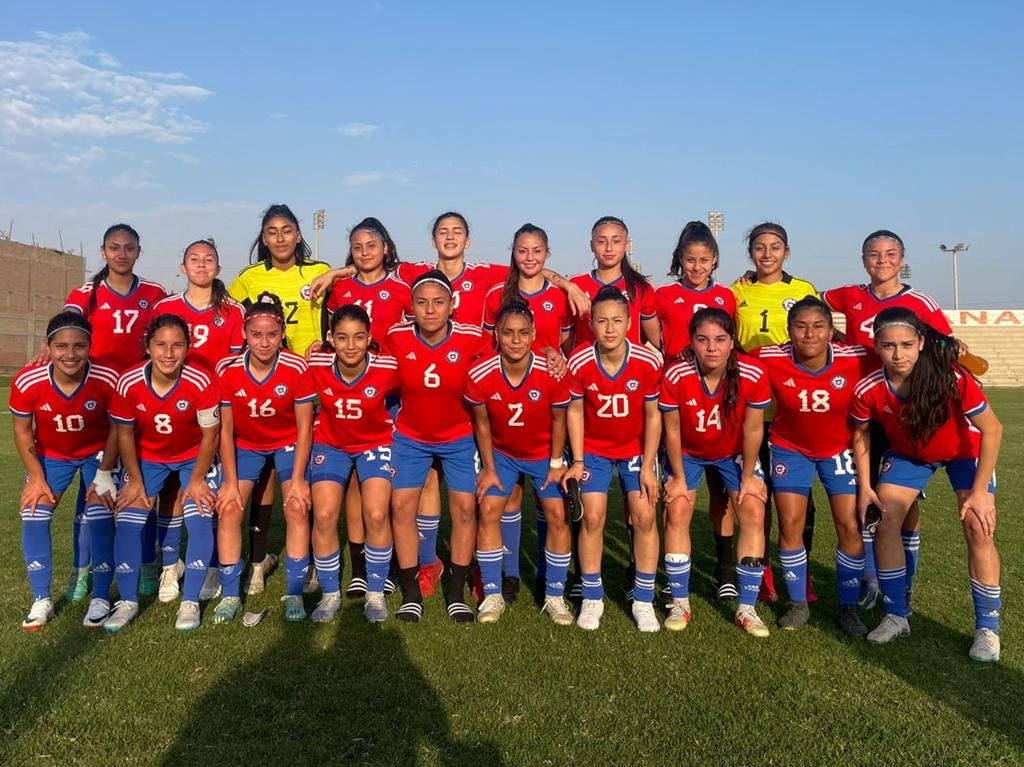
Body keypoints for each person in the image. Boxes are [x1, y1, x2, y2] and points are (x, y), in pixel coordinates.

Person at [851, 307, 1003, 662]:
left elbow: (993, 430)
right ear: (876, 346)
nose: (898, 354)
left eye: (906, 344)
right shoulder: (870, 387)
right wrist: (865, 485)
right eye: (888, 346)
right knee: (885, 519)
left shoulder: (950, 378)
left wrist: (980, 493)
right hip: (911, 455)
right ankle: (896, 614)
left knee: (978, 527)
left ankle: (987, 629)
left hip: (964, 451)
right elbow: (861, 434)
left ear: (921, 343)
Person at [823, 229, 956, 610]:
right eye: (874, 254)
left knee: (903, 501)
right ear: (863, 259)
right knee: (864, 495)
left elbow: (946, 346)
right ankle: (870, 578)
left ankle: (904, 580)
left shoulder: (920, 302)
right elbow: (806, 299)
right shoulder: (849, 295)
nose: (882, 261)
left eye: (890, 254)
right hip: (863, 406)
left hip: (901, 409)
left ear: (902, 258)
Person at [749, 297, 874, 635]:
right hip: (790, 450)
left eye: (818, 326)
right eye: (801, 326)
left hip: (840, 449)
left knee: (850, 525)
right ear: (789, 331)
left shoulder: (857, 357)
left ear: (831, 331)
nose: (809, 334)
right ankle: (798, 603)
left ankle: (848, 608)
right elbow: (728, 358)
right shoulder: (770, 357)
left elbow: (901, 354)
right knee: (790, 524)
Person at [58, 223, 167, 601]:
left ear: (139, 251)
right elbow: (66, 328)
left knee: (142, 484)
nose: (122, 254)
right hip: (98, 401)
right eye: (114, 248)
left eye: (129, 248)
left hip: (141, 399)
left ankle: (148, 564)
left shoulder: (153, 293)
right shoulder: (85, 294)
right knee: (92, 491)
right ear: (103, 252)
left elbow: (167, 335)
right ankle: (82, 569)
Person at [228, 205, 330, 595]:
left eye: (287, 230)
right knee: (262, 481)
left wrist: (337, 273)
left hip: (308, 387)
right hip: (262, 387)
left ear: (300, 234)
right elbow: (228, 316)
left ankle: (317, 564)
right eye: (272, 232)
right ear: (264, 238)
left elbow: (362, 279)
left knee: (308, 484)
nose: (281, 238)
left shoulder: (318, 271)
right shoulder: (249, 279)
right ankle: (257, 561)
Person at [382, 271, 491, 623]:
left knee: (463, 510)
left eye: (438, 302)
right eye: (422, 302)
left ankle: (456, 594)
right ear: (411, 306)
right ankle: (412, 593)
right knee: (400, 508)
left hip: (459, 438)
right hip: (411, 436)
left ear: (451, 305)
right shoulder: (396, 336)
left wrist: (550, 352)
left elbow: (505, 361)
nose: (430, 310)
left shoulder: (473, 337)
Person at [659, 308, 773, 636]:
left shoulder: (752, 373)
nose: (712, 347)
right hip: (688, 454)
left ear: (732, 341)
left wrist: (749, 476)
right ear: (692, 342)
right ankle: (680, 603)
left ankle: (747, 608)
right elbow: (673, 431)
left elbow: (754, 431)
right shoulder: (677, 374)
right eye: (703, 339)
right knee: (678, 509)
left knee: (752, 509)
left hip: (734, 454)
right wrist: (678, 478)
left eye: (720, 339)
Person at [106, 314, 220, 632]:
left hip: (193, 457)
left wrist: (197, 480)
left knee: (199, 518)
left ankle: (190, 601)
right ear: (148, 346)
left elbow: (210, 435)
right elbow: (124, 434)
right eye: (161, 345)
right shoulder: (129, 381)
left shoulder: (201, 380)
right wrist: (136, 480)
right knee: (129, 521)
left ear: (188, 347)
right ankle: (127, 601)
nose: (168, 354)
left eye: (177, 345)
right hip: (149, 458)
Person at [559, 286, 662, 632]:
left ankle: (644, 600)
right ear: (591, 322)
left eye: (617, 320)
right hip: (595, 451)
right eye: (602, 321)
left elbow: (653, 416)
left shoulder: (647, 361)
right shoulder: (580, 361)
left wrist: (648, 465)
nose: (610, 328)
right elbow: (574, 411)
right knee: (592, 517)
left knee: (645, 516)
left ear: (630, 322)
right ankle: (592, 596)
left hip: (635, 450)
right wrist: (578, 459)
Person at [467, 299, 574, 625]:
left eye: (523, 333)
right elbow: (482, 424)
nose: (516, 340)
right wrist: (489, 467)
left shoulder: (550, 371)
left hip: (544, 454)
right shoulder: (481, 372)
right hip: (503, 454)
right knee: (488, 508)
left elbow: (559, 421)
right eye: (508, 333)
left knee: (557, 513)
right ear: (497, 334)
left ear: (533, 335)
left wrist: (556, 463)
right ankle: (492, 593)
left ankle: (555, 596)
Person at [480, 223, 573, 600]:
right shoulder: (496, 293)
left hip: (543, 400)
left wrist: (552, 352)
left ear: (547, 253)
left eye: (537, 250)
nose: (530, 257)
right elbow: (491, 344)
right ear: (513, 252)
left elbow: (562, 342)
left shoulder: (560, 297)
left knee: (549, 501)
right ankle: (511, 574)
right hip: (507, 402)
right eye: (523, 250)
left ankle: (549, 581)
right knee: (509, 498)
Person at [11, 312, 120, 629]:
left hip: (98, 454)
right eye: (61, 346)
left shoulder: (106, 378)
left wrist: (104, 473)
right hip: (52, 455)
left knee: (100, 515)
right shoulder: (29, 380)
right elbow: (21, 431)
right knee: (33, 512)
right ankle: (41, 598)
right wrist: (37, 476)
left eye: (78, 346)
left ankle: (100, 596)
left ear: (90, 346)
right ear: (48, 347)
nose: (70, 354)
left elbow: (118, 429)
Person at [152, 239, 245, 603]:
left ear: (218, 268)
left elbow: (236, 366)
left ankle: (208, 567)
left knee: (214, 490)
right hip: (172, 409)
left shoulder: (233, 311)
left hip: (216, 411)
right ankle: (169, 565)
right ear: (183, 267)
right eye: (194, 259)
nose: (202, 265)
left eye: (209, 260)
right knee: (172, 491)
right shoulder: (166, 307)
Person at [320, 217, 409, 599]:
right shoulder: (340, 289)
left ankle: (384, 566)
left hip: (389, 392)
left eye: (371, 245)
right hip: (349, 389)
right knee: (355, 483)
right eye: (357, 247)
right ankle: (359, 569)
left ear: (386, 247)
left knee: (382, 489)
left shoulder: (404, 285)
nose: (365, 252)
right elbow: (333, 334)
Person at [213, 294, 315, 623]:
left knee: (297, 506)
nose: (264, 342)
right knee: (229, 507)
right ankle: (230, 594)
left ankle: (294, 592)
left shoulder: (296, 366)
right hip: (247, 445)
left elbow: (304, 428)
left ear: (282, 333)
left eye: (271, 334)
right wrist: (229, 482)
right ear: (244, 334)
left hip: (287, 443)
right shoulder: (227, 370)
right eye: (256, 335)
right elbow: (225, 431)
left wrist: (298, 479)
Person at [731, 222, 817, 603]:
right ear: (751, 253)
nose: (767, 254)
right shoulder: (736, 292)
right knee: (757, 494)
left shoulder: (803, 291)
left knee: (799, 499)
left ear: (787, 251)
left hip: (793, 411)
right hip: (751, 411)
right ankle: (762, 570)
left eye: (775, 247)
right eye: (760, 248)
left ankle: (801, 572)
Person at [655, 220, 739, 599]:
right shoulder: (663, 295)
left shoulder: (728, 296)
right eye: (690, 259)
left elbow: (728, 347)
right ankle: (667, 567)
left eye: (704, 259)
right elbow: (656, 344)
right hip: (676, 400)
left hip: (718, 404)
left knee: (723, 495)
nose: (697, 266)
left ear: (715, 260)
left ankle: (724, 570)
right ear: (680, 260)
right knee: (676, 492)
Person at [307, 304, 399, 623]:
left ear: (369, 338)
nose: (351, 346)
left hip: (375, 444)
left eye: (359, 337)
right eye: (342, 337)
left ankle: (375, 593)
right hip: (330, 444)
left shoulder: (387, 365)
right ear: (330, 338)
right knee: (324, 514)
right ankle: (330, 594)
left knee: (375, 513)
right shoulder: (316, 361)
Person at [569, 216, 659, 349]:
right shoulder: (575, 285)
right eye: (601, 241)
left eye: (616, 241)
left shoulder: (641, 286)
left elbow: (656, 338)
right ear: (592, 245)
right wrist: (567, 285)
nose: (609, 248)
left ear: (627, 245)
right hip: (586, 367)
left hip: (628, 367)